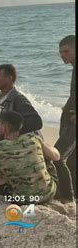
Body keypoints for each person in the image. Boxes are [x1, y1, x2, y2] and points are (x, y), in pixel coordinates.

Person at [0, 111, 59, 205]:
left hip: (21, 199)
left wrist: (12, 178)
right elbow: (56, 156)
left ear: (4, 128)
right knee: (46, 157)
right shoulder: (33, 138)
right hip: (48, 194)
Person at [0, 64, 43, 152]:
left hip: (13, 148)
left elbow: (36, 122)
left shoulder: (18, 99)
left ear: (9, 78)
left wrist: (10, 133)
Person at [53, 35, 76, 203]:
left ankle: (67, 198)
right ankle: (72, 193)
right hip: (70, 118)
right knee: (72, 158)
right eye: (61, 52)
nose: (63, 55)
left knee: (57, 156)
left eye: (66, 51)